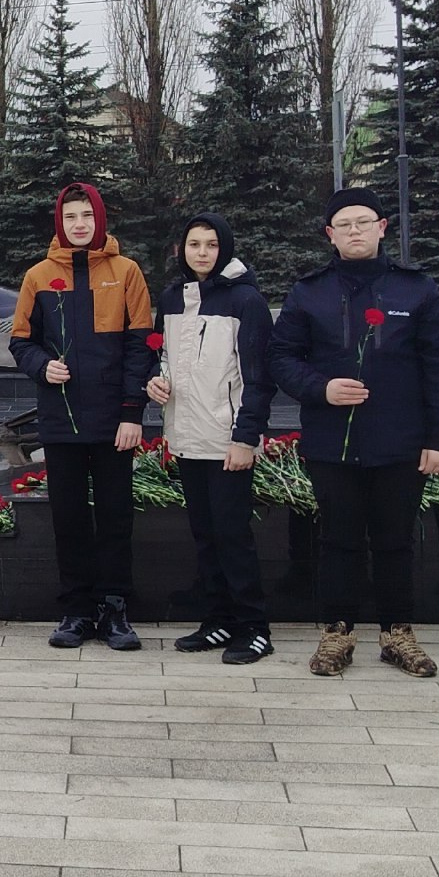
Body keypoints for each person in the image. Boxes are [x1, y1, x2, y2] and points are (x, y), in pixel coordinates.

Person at [270, 188, 439, 677]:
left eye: (363, 222)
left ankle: (397, 632)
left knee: (396, 540)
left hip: (400, 441)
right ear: (330, 235)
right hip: (331, 441)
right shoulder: (309, 292)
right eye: (344, 224)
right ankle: (337, 632)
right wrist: (321, 388)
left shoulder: (416, 289)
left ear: (382, 227)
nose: (354, 231)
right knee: (337, 540)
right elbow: (281, 357)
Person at [8, 182, 153, 652]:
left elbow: (142, 346)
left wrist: (132, 412)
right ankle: (76, 610)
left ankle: (114, 609)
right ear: (60, 222)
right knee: (68, 519)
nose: (79, 224)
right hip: (61, 420)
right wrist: (41, 366)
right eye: (70, 216)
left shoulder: (127, 272)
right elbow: (20, 341)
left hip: (115, 422)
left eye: (87, 216)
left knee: (115, 518)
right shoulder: (38, 277)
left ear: (100, 219)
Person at [147, 211, 275, 665]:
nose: (202, 253)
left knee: (232, 535)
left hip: (227, 441)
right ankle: (218, 619)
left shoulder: (246, 301)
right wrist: (155, 381)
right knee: (205, 535)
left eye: (212, 244)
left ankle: (253, 627)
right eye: (194, 244)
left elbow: (259, 378)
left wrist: (245, 438)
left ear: (225, 248)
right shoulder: (173, 298)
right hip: (186, 436)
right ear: (181, 249)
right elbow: (162, 356)